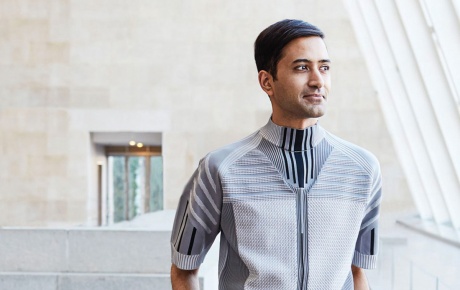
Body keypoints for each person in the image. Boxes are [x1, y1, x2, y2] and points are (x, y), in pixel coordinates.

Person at [170, 19, 382, 290]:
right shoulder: (220, 168)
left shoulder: (363, 169)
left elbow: (357, 274)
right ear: (267, 81)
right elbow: (183, 270)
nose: (318, 81)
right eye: (302, 68)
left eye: (325, 68)